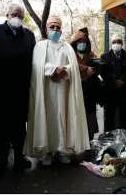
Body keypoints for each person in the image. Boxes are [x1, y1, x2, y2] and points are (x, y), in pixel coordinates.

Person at [25, 16, 90, 166]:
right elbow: (36, 66)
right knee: (47, 118)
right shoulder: (40, 46)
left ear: (61, 30)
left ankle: (62, 150)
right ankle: (47, 152)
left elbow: (73, 66)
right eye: (52, 27)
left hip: (63, 89)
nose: (55, 29)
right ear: (47, 30)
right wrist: (53, 70)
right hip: (46, 90)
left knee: (63, 118)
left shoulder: (67, 46)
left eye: (57, 27)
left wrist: (63, 71)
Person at [0, 3, 36, 175]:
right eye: (14, 14)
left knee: (20, 125)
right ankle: (1, 158)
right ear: (7, 15)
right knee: (0, 125)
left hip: (21, 88)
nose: (17, 18)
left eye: (20, 16)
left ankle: (19, 157)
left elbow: (33, 62)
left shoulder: (29, 35)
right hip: (0, 88)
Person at [100, 34, 126, 132]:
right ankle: (109, 136)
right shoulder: (105, 56)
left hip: (125, 91)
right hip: (110, 91)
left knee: (124, 114)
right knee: (109, 115)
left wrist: (122, 80)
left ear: (122, 43)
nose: (116, 44)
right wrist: (114, 81)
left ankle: (124, 136)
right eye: (114, 42)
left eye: (119, 41)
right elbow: (104, 71)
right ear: (111, 43)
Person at [70, 29, 102, 141]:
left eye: (83, 41)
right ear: (75, 43)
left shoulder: (91, 55)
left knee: (90, 116)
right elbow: (71, 67)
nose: (81, 44)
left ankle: (89, 139)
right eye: (78, 41)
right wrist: (86, 69)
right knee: (76, 116)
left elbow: (97, 68)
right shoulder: (70, 54)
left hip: (90, 92)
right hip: (75, 91)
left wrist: (92, 69)